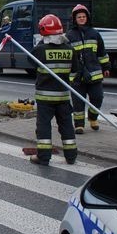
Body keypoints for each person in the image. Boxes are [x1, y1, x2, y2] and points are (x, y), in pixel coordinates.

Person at [29, 14, 79, 166]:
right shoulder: (70, 49)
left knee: (44, 127)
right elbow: (75, 71)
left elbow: (31, 61)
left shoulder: (40, 50)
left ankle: (43, 157)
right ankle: (71, 156)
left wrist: (39, 44)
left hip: (45, 98)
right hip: (63, 96)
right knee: (67, 126)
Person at [66, 4, 111, 134]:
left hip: (94, 74)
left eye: (83, 16)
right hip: (77, 76)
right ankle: (79, 125)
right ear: (75, 19)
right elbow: (70, 57)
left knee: (97, 98)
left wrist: (106, 66)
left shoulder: (95, 34)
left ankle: (93, 118)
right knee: (78, 102)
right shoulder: (69, 35)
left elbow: (102, 52)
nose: (81, 18)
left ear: (87, 18)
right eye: (79, 17)